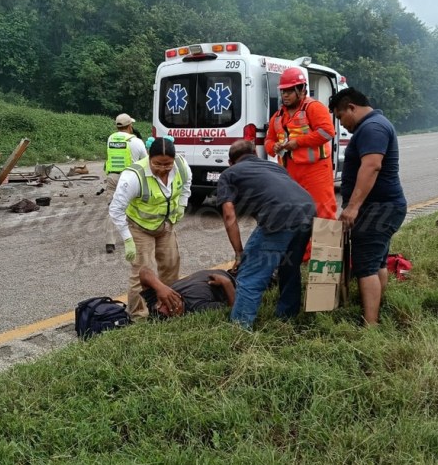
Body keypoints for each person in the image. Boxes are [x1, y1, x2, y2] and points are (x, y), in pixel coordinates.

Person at [217, 140, 315, 330]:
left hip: (280, 216)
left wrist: (239, 253)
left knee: (250, 273)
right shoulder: (275, 167)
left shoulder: (229, 174)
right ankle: (287, 318)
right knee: (289, 266)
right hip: (308, 211)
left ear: (230, 162)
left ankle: (239, 329)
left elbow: (229, 214)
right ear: (255, 153)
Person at [328, 87, 407, 325]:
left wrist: (352, 207)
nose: (342, 125)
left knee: (365, 267)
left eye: (341, 117)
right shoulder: (373, 126)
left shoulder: (372, 128)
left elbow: (372, 166)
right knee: (377, 262)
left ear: (351, 107)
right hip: (383, 207)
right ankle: (375, 309)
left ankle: (370, 324)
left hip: (378, 209)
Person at [109, 137, 191, 318]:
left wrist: (181, 206)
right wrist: (127, 238)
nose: (162, 168)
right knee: (142, 272)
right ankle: (138, 316)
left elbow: (186, 186)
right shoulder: (133, 176)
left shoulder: (182, 167)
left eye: (167, 164)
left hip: (165, 225)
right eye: (157, 164)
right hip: (139, 227)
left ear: (174, 159)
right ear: (148, 157)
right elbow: (116, 209)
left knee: (170, 265)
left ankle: (168, 309)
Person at [265, 67, 337, 261]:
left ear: (301, 90)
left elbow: (327, 132)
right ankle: (305, 258)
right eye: (283, 91)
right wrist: (276, 146)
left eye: (289, 91)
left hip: (316, 171)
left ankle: (328, 260)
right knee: (297, 216)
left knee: (323, 214)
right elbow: (268, 142)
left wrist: (298, 143)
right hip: (290, 173)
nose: (285, 95)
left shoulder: (313, 108)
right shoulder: (278, 116)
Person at [104, 113, 147, 254]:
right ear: (130, 126)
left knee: (113, 208)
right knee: (134, 208)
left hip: (112, 177)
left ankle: (110, 243)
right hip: (129, 179)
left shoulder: (111, 139)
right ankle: (134, 237)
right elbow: (145, 161)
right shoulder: (136, 141)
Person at [139, 266, 236, 318]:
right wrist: (226, 283)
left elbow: (144, 271)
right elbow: (234, 310)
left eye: (161, 303)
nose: (167, 298)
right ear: (176, 314)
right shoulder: (197, 306)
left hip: (228, 272)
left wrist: (160, 287)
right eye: (170, 306)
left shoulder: (157, 300)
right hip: (237, 282)